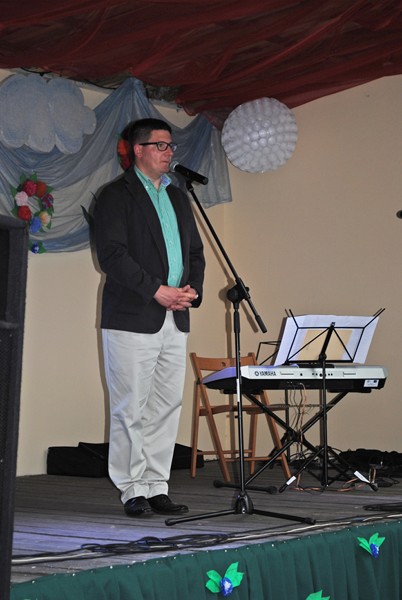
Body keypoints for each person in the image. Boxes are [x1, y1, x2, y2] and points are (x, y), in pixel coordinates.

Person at [94, 118, 205, 517]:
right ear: (138, 150)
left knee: (166, 405)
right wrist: (156, 290)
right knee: (131, 407)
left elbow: (195, 253)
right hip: (132, 316)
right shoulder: (115, 195)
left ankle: (157, 485)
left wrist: (191, 290)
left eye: (170, 146)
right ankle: (132, 489)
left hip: (175, 318)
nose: (169, 152)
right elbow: (112, 255)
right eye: (160, 145)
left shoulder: (177, 196)